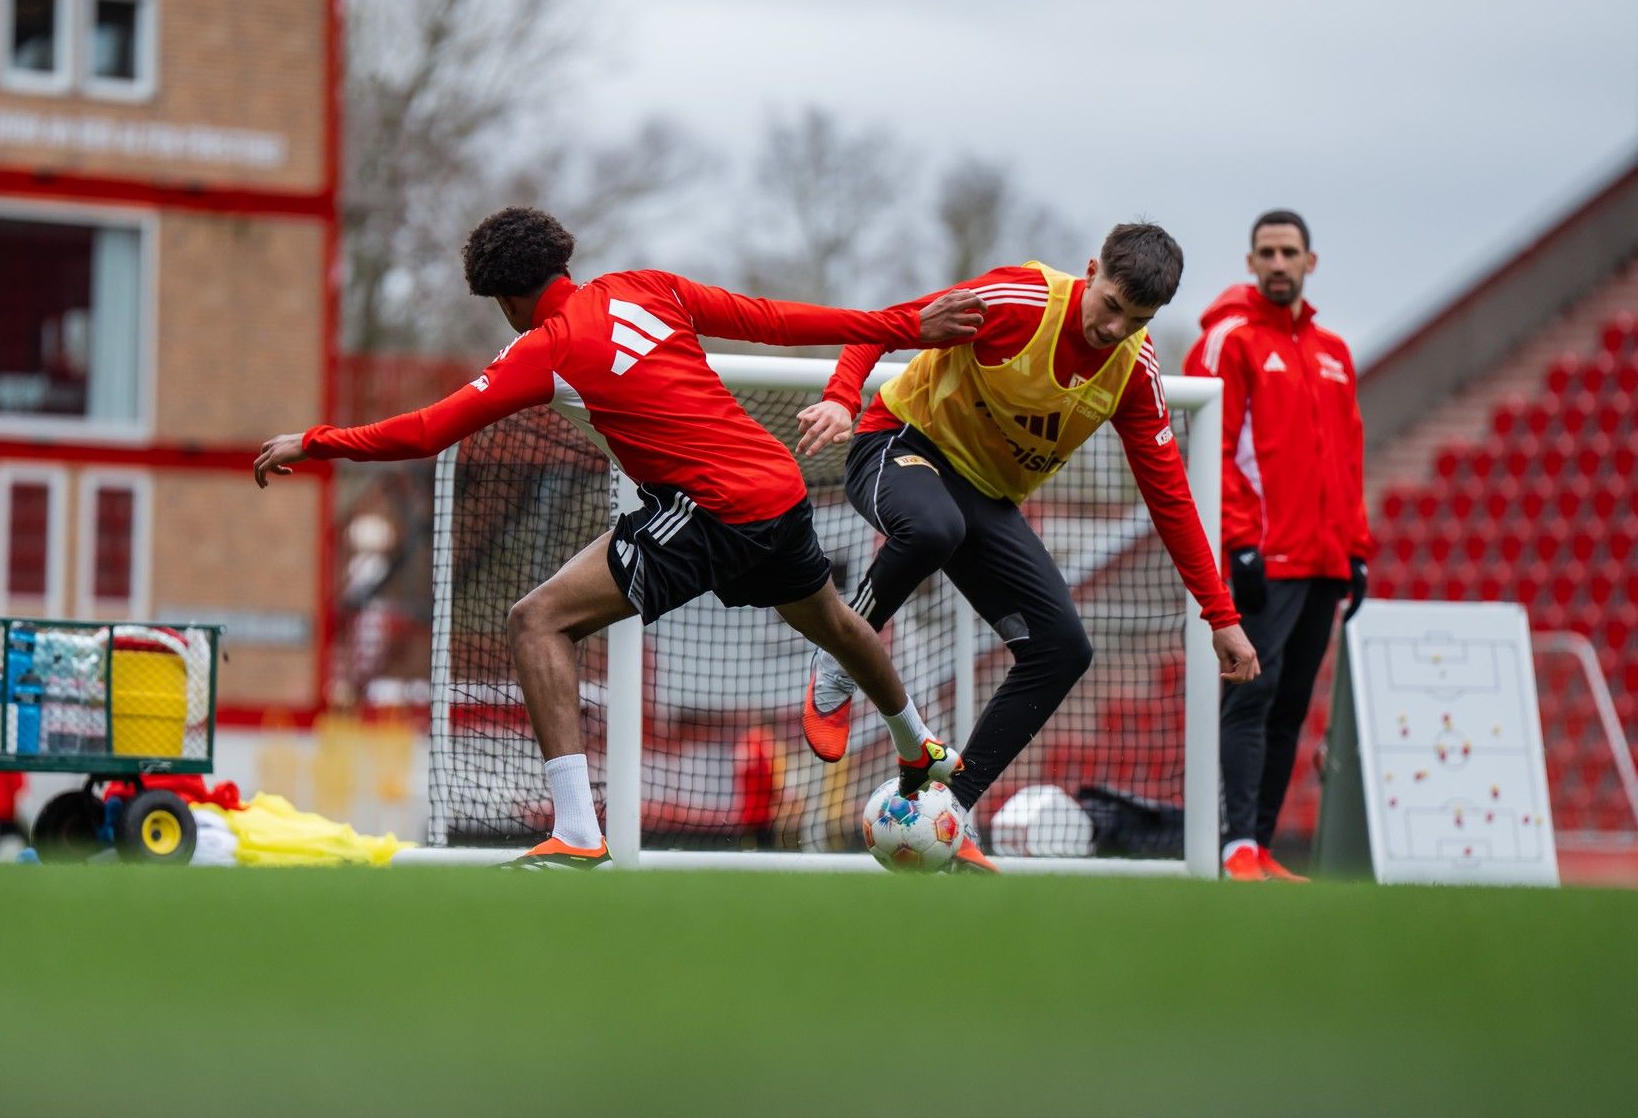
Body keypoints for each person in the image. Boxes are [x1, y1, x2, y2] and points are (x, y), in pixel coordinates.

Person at [256, 206, 988, 869]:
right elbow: (773, 318)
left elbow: (426, 431)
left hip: (711, 510)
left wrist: (312, 441)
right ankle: (919, 746)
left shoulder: (545, 346)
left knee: (534, 620)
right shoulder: (648, 285)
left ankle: (576, 829)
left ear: (508, 299)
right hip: (779, 487)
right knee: (832, 622)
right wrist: (902, 325)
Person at [793, 224, 1260, 854]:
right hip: (897, 443)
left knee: (1064, 649)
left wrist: (1220, 616)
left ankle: (946, 813)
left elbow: (1171, 498)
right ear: (1091, 271)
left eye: (1137, 320)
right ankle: (839, 659)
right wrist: (842, 397)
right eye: (1112, 306)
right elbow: (883, 323)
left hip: (983, 496)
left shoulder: (1133, 370)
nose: (1116, 329)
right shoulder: (1015, 301)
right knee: (935, 527)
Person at [1184, 210, 1372, 883]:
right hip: (1264, 556)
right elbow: (1212, 446)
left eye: (1290, 251)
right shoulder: (1229, 339)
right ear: (1250, 260)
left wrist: (1355, 545)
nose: (1279, 262)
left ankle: (1259, 846)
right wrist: (1238, 543)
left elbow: (1346, 455)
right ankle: (1235, 846)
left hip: (1323, 559)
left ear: (1310, 262)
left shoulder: (1333, 352)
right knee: (1250, 699)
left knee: (1291, 703)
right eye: (1267, 252)